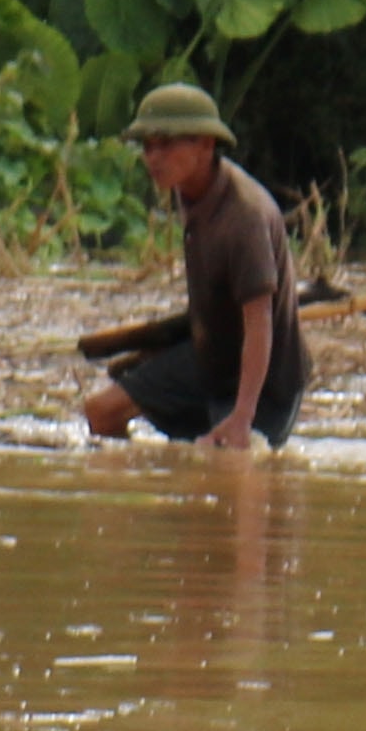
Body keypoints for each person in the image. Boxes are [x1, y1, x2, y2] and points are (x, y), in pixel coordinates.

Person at [78, 87, 309, 455]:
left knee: (230, 470)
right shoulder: (190, 189)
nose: (153, 158)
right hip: (210, 358)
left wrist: (242, 417)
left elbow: (260, 321)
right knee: (101, 412)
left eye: (166, 145)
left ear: (204, 145)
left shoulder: (243, 216)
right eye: (148, 147)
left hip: (264, 382)